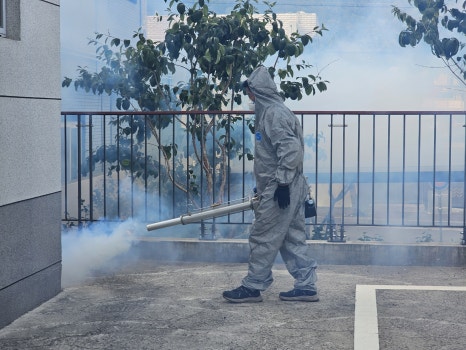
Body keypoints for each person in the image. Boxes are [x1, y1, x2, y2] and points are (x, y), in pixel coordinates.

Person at [222, 66, 318, 303]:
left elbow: (291, 150)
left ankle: (253, 286)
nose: (249, 98)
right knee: (291, 237)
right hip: (284, 186)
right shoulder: (272, 112)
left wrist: (282, 184)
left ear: (258, 91)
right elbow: (273, 156)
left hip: (282, 187)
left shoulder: (274, 114)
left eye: (250, 93)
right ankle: (306, 285)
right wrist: (264, 186)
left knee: (262, 235)